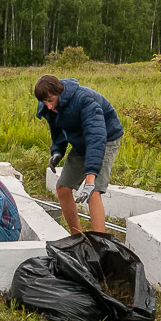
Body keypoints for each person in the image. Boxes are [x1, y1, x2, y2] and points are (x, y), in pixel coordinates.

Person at [34, 74, 123, 235]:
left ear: (60, 93)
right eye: (45, 102)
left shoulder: (85, 99)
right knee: (62, 188)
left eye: (51, 101)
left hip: (105, 139)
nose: (48, 106)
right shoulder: (49, 104)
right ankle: (78, 238)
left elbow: (96, 138)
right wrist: (57, 152)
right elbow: (58, 131)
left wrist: (90, 179)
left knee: (93, 191)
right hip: (81, 141)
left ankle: (100, 243)